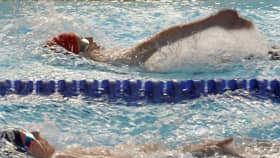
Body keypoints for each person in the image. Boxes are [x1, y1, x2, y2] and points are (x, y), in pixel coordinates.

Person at [47, 9, 279, 65]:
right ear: (80, 53)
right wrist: (210, 22)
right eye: (84, 42)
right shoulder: (112, 60)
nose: (91, 39)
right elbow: (158, 41)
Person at [1, 127, 278, 158]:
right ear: (26, 150)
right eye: (28, 137)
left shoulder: (66, 154)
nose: (37, 134)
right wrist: (189, 154)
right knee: (223, 151)